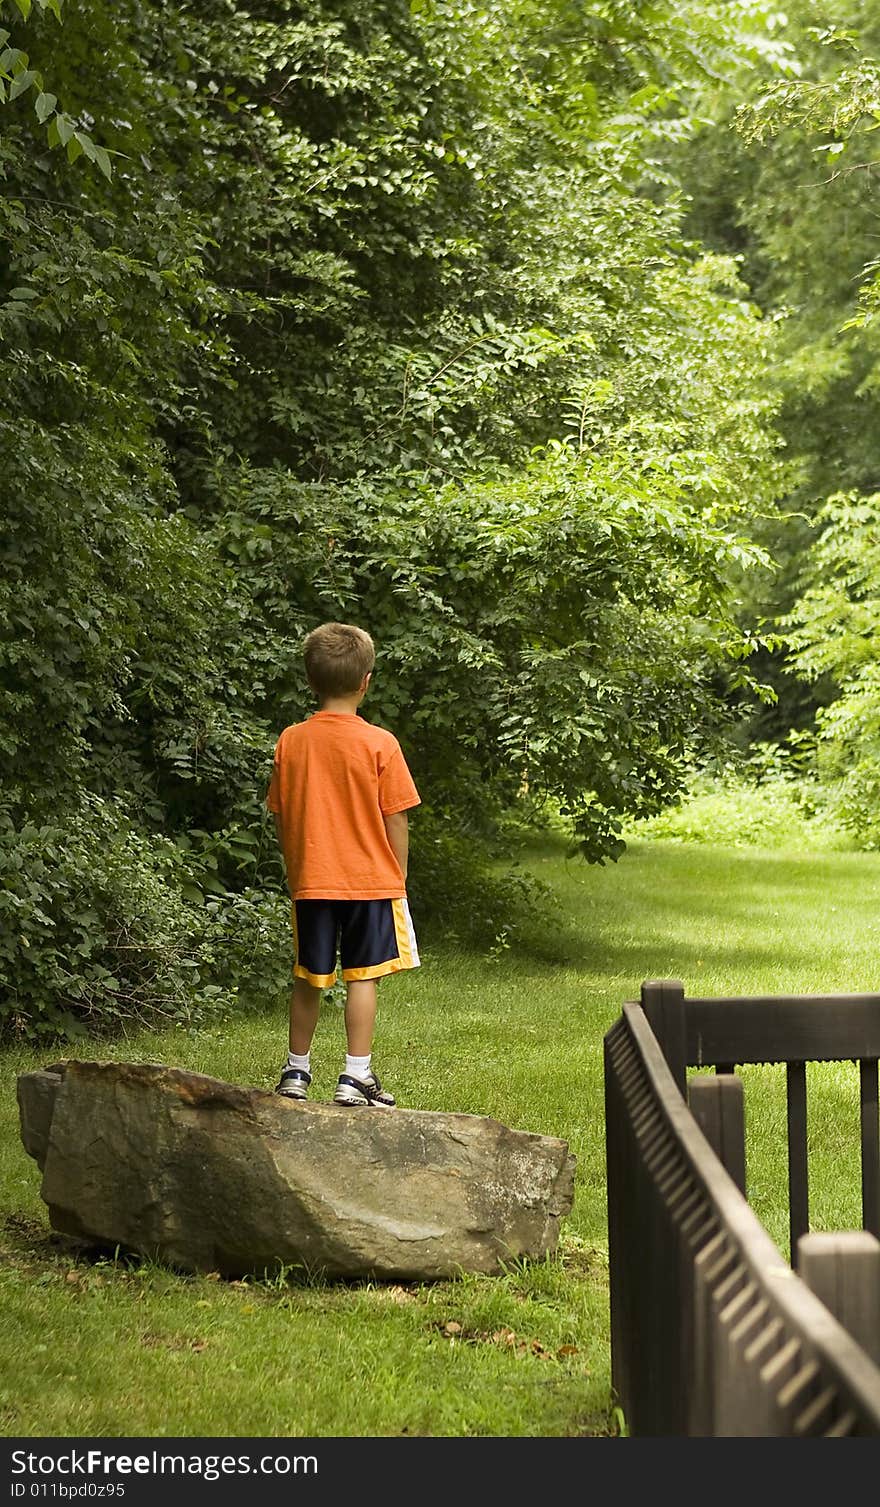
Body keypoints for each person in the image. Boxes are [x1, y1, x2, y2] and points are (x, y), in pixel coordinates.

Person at [265, 621, 421, 1107]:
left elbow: (281, 812)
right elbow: (396, 820)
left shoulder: (291, 740)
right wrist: (398, 875)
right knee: (363, 976)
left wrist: (298, 866)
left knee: (308, 977)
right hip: (371, 882)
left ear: (311, 680)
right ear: (365, 681)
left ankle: (296, 1072)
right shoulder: (381, 743)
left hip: (312, 880)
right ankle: (355, 1077)